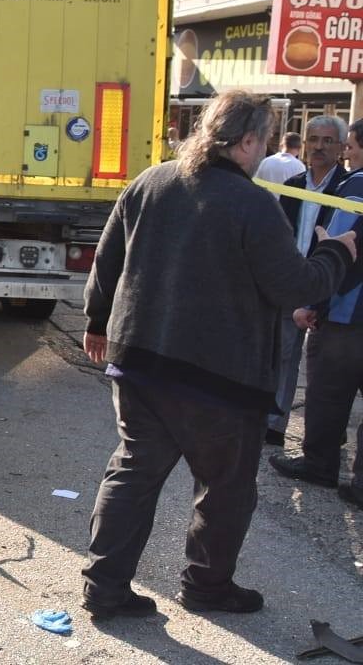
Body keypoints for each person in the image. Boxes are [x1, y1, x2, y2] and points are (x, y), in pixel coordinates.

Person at [80, 91, 356, 619]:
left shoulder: (151, 180)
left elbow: (106, 257)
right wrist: (334, 252)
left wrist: (96, 320)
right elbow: (292, 285)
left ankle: (104, 589)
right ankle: (206, 588)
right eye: (265, 142)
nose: (265, 151)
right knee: (226, 489)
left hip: (140, 359)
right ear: (248, 141)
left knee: (133, 473)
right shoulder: (251, 202)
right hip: (220, 378)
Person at [270, 117, 363, 510]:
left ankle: (320, 463)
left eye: (352, 145)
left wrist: (314, 302)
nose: (348, 152)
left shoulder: (355, 186)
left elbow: (342, 249)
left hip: (347, 314)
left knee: (327, 392)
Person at [268, 115, 348, 445]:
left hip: (332, 291)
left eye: (327, 141)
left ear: (342, 147)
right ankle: (274, 425)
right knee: (282, 357)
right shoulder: (293, 186)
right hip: (292, 284)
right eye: (313, 139)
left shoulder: (349, 187)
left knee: (326, 372)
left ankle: (327, 437)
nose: (318, 146)